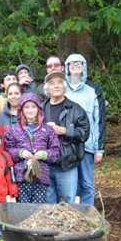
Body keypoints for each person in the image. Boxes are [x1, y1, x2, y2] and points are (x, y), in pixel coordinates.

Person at [42, 72, 90, 204]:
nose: (56, 86)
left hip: (66, 164)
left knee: (67, 204)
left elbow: (84, 133)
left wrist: (63, 130)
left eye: (59, 83)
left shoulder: (76, 109)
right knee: (47, 206)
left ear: (64, 87)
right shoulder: (39, 109)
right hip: (44, 165)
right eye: (52, 83)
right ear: (47, 89)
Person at [4, 93, 60, 203]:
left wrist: (45, 154)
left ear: (39, 108)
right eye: (27, 107)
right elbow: (7, 149)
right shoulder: (14, 129)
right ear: (21, 110)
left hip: (41, 177)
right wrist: (20, 152)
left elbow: (56, 150)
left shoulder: (47, 129)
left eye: (33, 107)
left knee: (38, 209)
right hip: (21, 176)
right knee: (23, 209)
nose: (30, 110)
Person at [64, 53, 101, 205]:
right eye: (72, 64)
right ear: (66, 68)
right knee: (69, 184)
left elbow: (98, 120)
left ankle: (88, 216)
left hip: (87, 145)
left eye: (79, 63)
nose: (75, 66)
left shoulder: (92, 91)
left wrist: (99, 149)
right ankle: (72, 215)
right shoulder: (61, 89)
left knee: (86, 182)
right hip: (66, 145)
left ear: (84, 67)